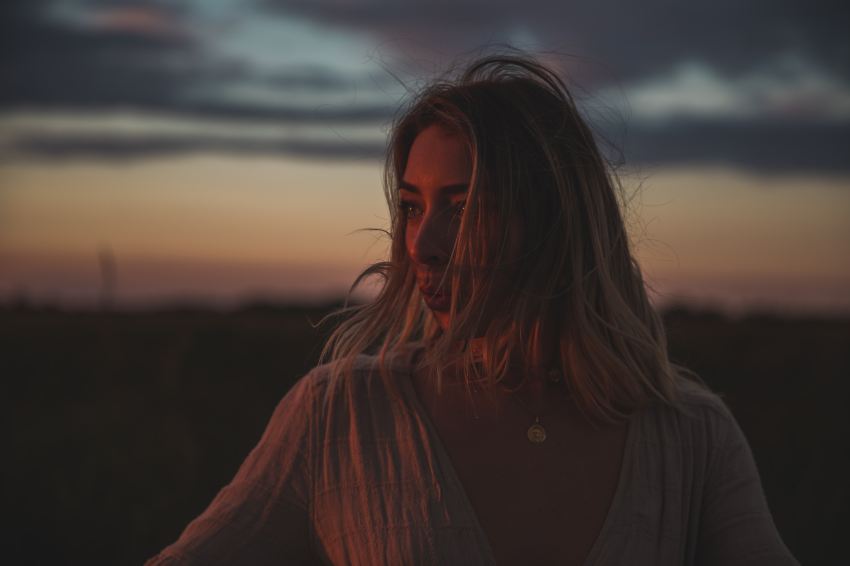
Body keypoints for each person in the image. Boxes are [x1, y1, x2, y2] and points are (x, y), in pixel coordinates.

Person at [146, 53, 798, 565]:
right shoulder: (341, 417)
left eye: (463, 207)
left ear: (553, 222)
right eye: (411, 207)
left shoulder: (690, 438)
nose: (422, 245)